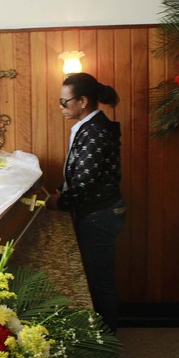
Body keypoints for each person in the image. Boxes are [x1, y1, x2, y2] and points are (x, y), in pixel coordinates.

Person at [47, 72, 126, 333]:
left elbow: (85, 180)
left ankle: (106, 340)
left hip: (99, 213)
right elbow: (77, 174)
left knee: (99, 280)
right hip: (95, 210)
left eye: (64, 101)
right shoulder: (90, 126)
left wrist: (60, 201)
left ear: (83, 101)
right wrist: (60, 192)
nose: (61, 107)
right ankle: (101, 336)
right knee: (95, 277)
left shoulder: (96, 130)